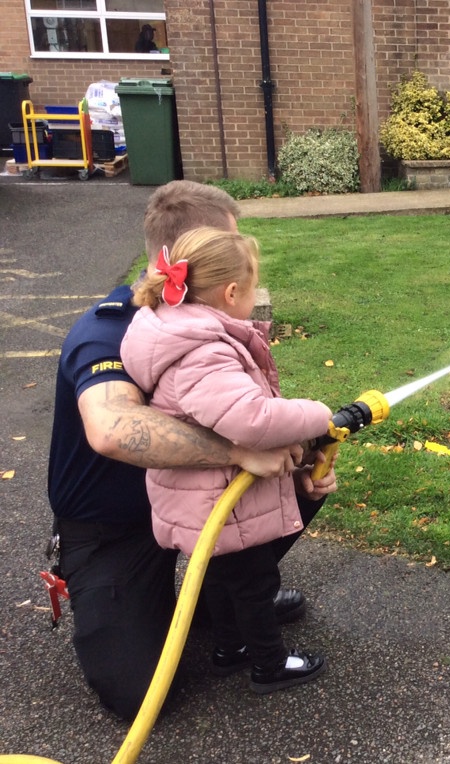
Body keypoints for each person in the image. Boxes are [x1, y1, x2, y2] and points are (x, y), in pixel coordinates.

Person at [46, 180, 336, 719]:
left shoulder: (203, 326)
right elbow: (111, 429)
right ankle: (220, 606)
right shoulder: (111, 331)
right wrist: (237, 454)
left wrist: (297, 461)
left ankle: (224, 605)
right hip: (114, 527)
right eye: (228, 244)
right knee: (140, 693)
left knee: (305, 473)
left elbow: (244, 412)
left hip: (191, 497)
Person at [121, 226, 331, 693]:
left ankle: (229, 646)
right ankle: (269, 665)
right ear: (232, 292)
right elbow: (251, 419)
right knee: (255, 582)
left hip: (202, 496)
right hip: (219, 499)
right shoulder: (205, 353)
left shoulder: (174, 327)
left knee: (223, 577)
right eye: (254, 287)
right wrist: (317, 414)